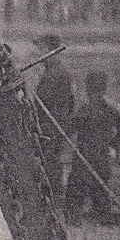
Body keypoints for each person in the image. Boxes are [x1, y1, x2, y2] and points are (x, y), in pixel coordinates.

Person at [63, 69, 120, 223]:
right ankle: (102, 216)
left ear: (88, 88)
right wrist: (114, 145)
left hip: (85, 157)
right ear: (103, 88)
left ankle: (74, 219)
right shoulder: (108, 108)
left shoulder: (85, 109)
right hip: (102, 156)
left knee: (76, 189)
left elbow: (68, 128)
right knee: (100, 189)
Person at [32, 33, 75, 185]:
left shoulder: (55, 74)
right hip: (55, 126)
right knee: (51, 164)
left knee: (50, 165)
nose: (39, 53)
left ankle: (52, 199)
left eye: (41, 49)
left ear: (51, 50)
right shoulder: (56, 71)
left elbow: (43, 102)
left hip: (51, 127)